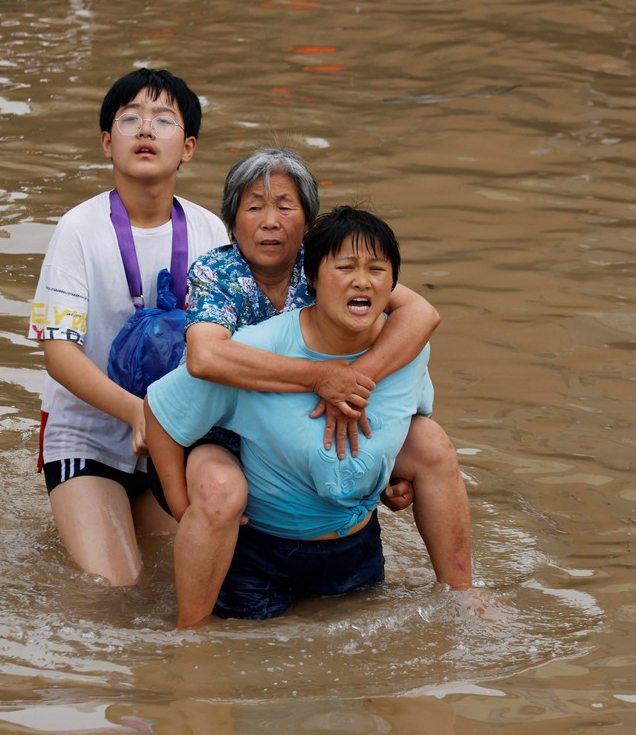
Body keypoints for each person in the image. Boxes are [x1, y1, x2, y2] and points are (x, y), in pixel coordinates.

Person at [154, 147, 473, 627]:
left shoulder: (334, 261)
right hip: (223, 426)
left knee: (428, 440)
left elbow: (420, 313)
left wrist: (358, 385)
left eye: (285, 206)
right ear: (232, 222)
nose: (269, 221)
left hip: (311, 428)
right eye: (254, 207)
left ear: (308, 222)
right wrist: (323, 378)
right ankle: (190, 634)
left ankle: (464, 598)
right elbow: (204, 358)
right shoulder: (217, 273)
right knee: (221, 488)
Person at [26, 68, 228, 586]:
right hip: (89, 434)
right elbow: (59, 354)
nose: (144, 130)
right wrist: (139, 414)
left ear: (187, 148)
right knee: (115, 590)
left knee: (175, 582)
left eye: (163, 120)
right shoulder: (77, 229)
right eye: (130, 118)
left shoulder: (211, 230)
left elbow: (232, 347)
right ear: (105, 143)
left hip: (177, 438)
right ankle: (78, 501)